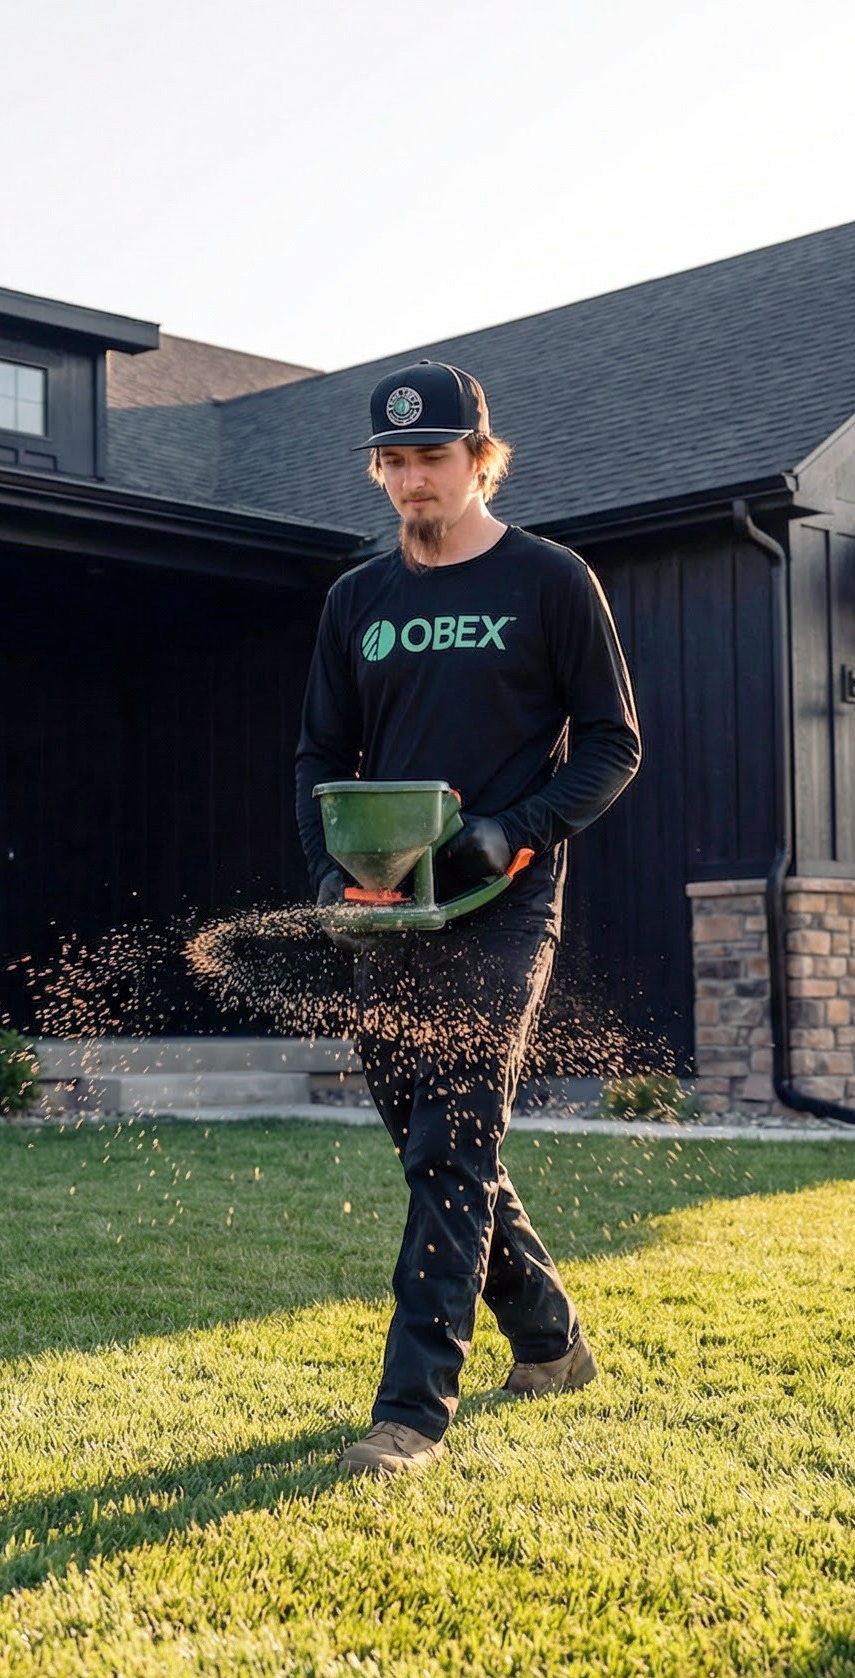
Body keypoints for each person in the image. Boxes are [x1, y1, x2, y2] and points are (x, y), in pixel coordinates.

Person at [295, 360, 641, 1477]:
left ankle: (410, 1414)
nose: (409, 481)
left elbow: (612, 743)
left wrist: (517, 825)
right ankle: (549, 1339)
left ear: (479, 460)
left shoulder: (550, 581)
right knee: (430, 1137)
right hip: (386, 910)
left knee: (452, 1140)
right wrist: (326, 871)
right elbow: (319, 752)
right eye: (390, 462)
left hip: (503, 902)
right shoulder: (358, 599)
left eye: (430, 458)